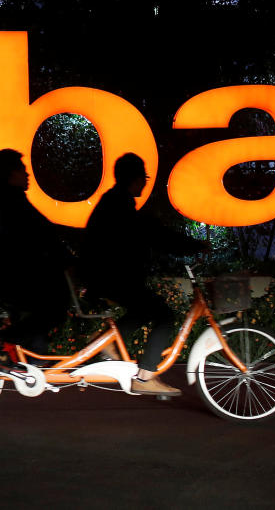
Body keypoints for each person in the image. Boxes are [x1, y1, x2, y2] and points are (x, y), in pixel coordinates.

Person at [80, 153, 203, 396]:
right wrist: (193, 246)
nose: (145, 183)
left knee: (141, 312)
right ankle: (145, 377)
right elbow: (153, 234)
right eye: (143, 177)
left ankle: (106, 341)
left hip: (105, 277)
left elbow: (148, 236)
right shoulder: (121, 205)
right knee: (164, 315)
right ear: (134, 179)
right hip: (111, 277)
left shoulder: (115, 201)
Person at [0, 149, 73, 357]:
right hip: (5, 277)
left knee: (45, 307)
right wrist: (68, 260)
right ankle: (2, 343)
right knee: (56, 306)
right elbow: (41, 235)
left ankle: (35, 357)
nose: (27, 176)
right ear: (12, 174)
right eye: (23, 171)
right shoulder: (11, 202)